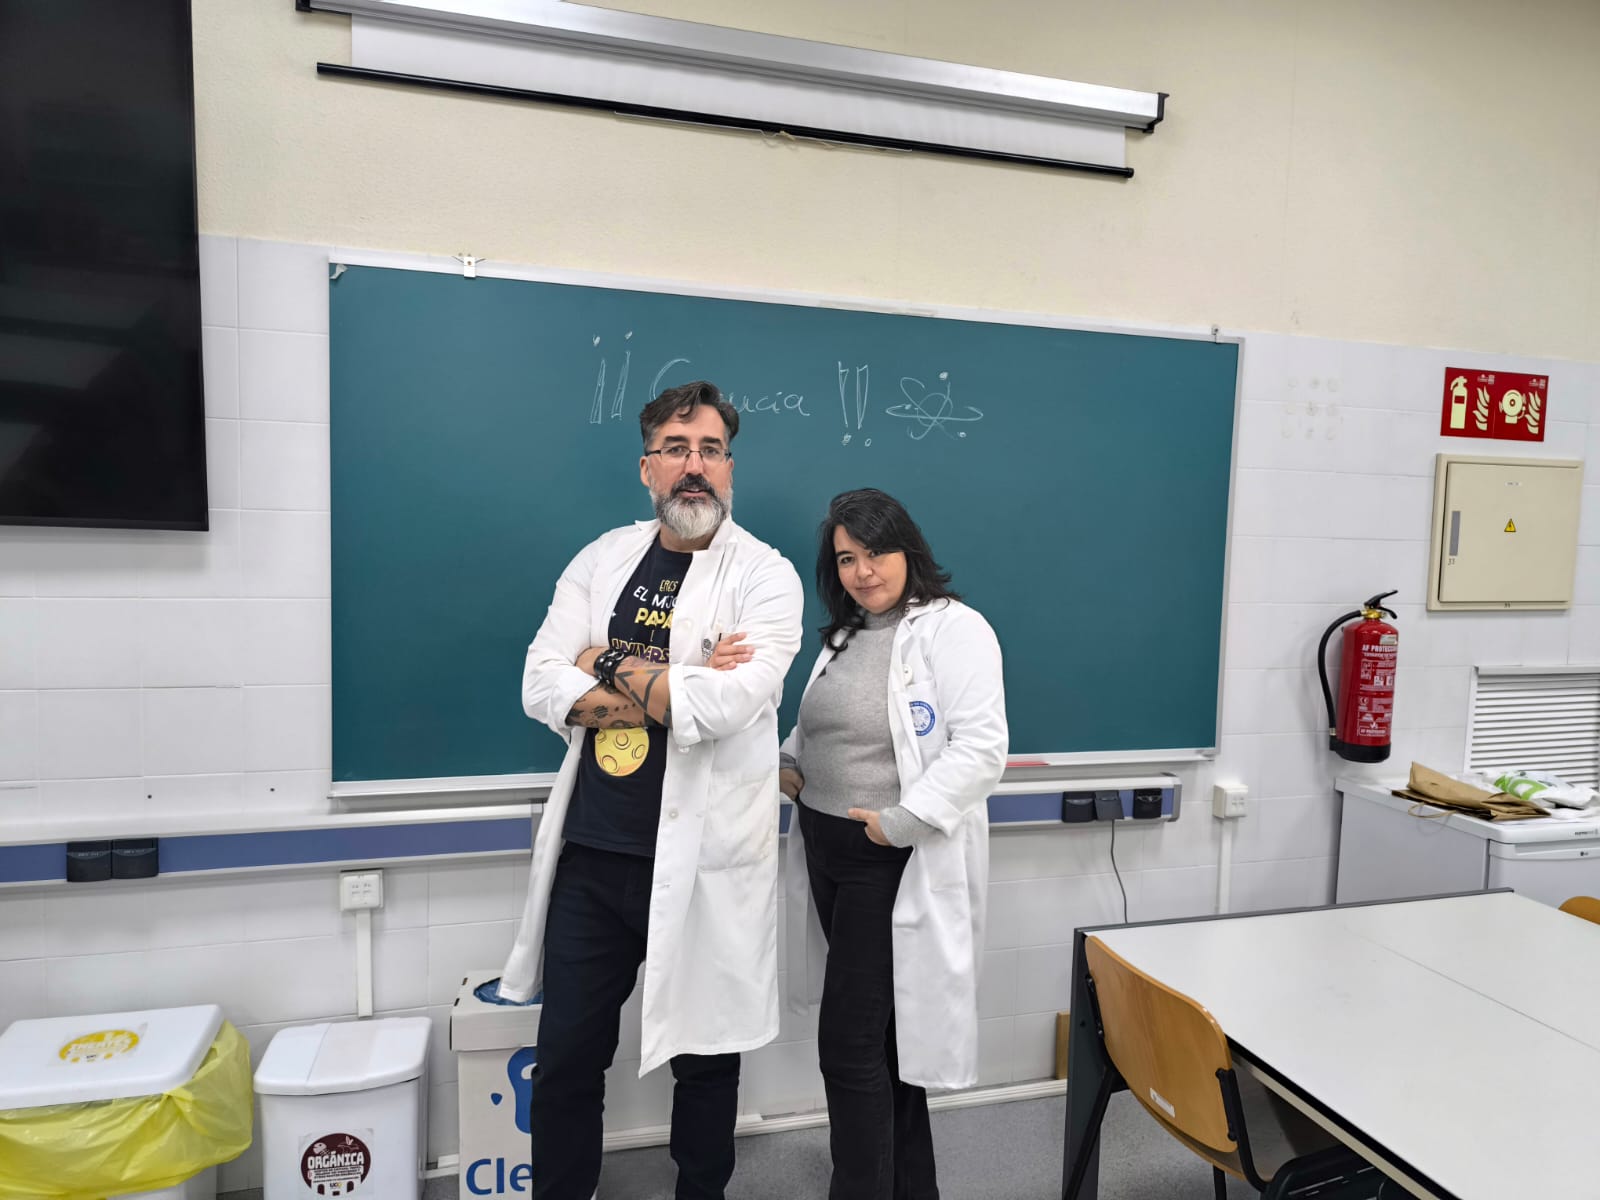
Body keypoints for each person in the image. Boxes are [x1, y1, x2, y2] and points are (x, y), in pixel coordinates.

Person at [498, 380, 804, 1200]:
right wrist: (681, 680)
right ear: (647, 468)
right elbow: (538, 683)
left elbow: (728, 704)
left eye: (710, 450)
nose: (693, 465)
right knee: (567, 1060)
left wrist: (601, 659)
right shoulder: (602, 558)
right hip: (595, 856)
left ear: (729, 467)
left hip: (707, 862)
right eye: (675, 448)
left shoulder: (766, 576)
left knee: (706, 1064)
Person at [779, 488, 1007, 1200]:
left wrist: (901, 822)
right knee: (882, 1041)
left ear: (908, 549)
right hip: (825, 847)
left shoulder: (955, 629)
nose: (863, 571)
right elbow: (819, 725)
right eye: (847, 559)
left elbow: (981, 748)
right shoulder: (844, 636)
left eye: (875, 552)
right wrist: (788, 760)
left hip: (887, 859)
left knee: (848, 1048)